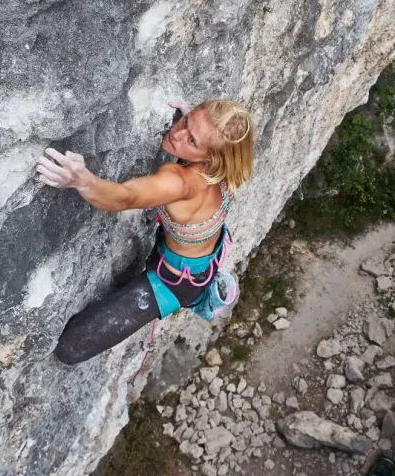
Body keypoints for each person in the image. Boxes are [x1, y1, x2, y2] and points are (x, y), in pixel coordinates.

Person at [41, 99, 255, 365]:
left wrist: (84, 181)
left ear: (210, 158)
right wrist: (193, 126)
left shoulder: (180, 183)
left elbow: (126, 197)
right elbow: (205, 134)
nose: (176, 134)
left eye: (191, 141)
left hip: (176, 284)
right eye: (185, 122)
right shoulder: (224, 165)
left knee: (70, 348)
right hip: (202, 260)